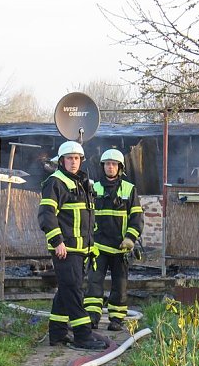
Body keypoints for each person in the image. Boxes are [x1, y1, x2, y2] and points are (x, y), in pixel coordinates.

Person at [38, 141, 106, 350]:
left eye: (77, 158)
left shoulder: (83, 183)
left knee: (66, 290)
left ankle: (57, 334)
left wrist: (91, 246)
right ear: (61, 161)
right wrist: (57, 241)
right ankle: (83, 335)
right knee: (74, 290)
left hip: (81, 249)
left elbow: (87, 218)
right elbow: (46, 215)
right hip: (65, 249)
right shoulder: (55, 182)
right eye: (69, 158)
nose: (73, 162)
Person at [84, 149, 144, 331]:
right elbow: (86, 216)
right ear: (103, 167)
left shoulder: (129, 189)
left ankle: (116, 319)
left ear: (120, 168)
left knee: (120, 285)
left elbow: (136, 217)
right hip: (98, 246)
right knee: (94, 283)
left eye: (114, 164)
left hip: (121, 247)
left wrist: (130, 238)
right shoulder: (93, 188)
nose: (110, 167)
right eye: (107, 164)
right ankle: (92, 317)